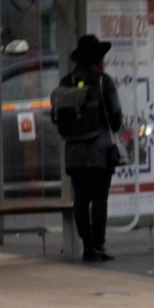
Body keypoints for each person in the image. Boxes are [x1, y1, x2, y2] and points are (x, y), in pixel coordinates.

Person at [59, 33, 126, 265]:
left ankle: (86, 245)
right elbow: (116, 115)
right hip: (100, 149)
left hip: (74, 151)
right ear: (98, 59)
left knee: (80, 198)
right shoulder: (102, 81)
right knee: (99, 199)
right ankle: (98, 244)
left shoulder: (66, 82)